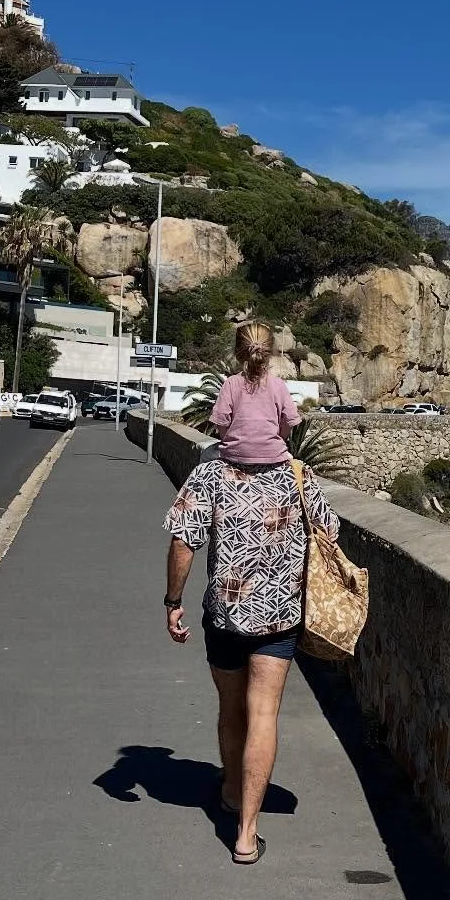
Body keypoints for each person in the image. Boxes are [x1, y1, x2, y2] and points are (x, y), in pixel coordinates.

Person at [163, 356, 339, 866]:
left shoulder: (209, 476)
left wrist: (173, 601)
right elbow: (330, 534)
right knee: (264, 713)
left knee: (230, 709)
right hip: (279, 620)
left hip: (225, 616)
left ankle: (231, 794)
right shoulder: (298, 478)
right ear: (278, 419)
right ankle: (246, 833)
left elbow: (183, 542)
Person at [208, 323, 301, 464]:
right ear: (270, 353)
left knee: (206, 455)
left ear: (237, 352)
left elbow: (221, 422)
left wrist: (233, 443)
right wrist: (279, 439)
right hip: (273, 456)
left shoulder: (231, 383)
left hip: (236, 456)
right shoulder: (279, 385)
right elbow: (289, 421)